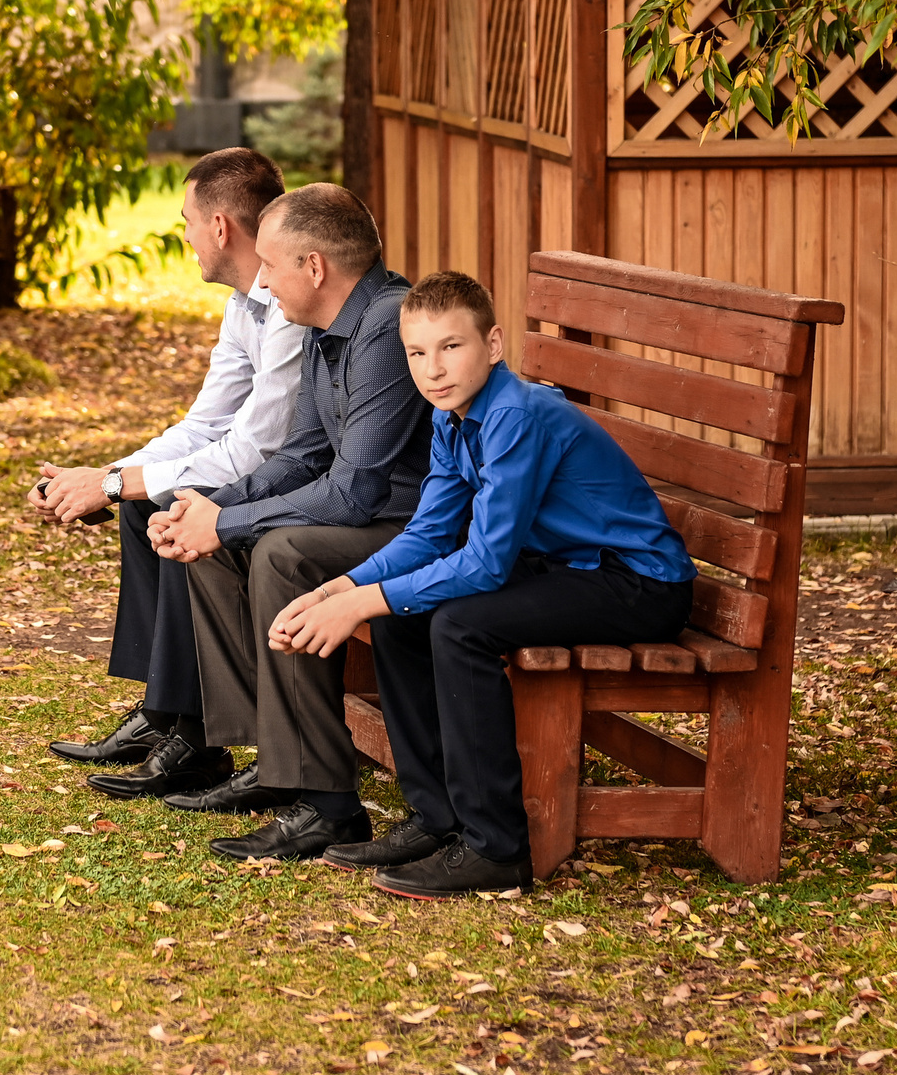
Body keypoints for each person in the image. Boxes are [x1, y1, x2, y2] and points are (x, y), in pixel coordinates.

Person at [265, 270, 696, 899]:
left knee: (459, 624)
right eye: (417, 353)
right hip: (563, 567)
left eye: (451, 347)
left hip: (636, 582)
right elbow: (429, 534)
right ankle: (437, 818)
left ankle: (494, 848)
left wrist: (362, 599)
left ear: (493, 346)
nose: (433, 369)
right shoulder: (451, 416)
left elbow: (488, 563)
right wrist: (340, 591)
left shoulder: (515, 416)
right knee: (406, 609)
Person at [148, 184, 432, 859]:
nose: (264, 281)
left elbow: (355, 492)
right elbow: (303, 452)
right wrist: (216, 507)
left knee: (279, 552)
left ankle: (328, 804)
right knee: (217, 544)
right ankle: (275, 763)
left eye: (272, 266)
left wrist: (234, 519)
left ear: (315, 267)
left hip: (414, 529)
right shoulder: (322, 329)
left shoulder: (387, 328)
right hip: (368, 518)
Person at [33, 148, 306, 803]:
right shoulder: (246, 304)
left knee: (168, 501)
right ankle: (170, 714)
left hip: (294, 484)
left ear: (219, 227)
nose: (183, 235)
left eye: (187, 220)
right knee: (144, 496)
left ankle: (190, 733)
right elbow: (204, 422)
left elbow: (253, 449)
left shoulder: (289, 310)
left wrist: (116, 484)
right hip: (261, 473)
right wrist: (110, 474)